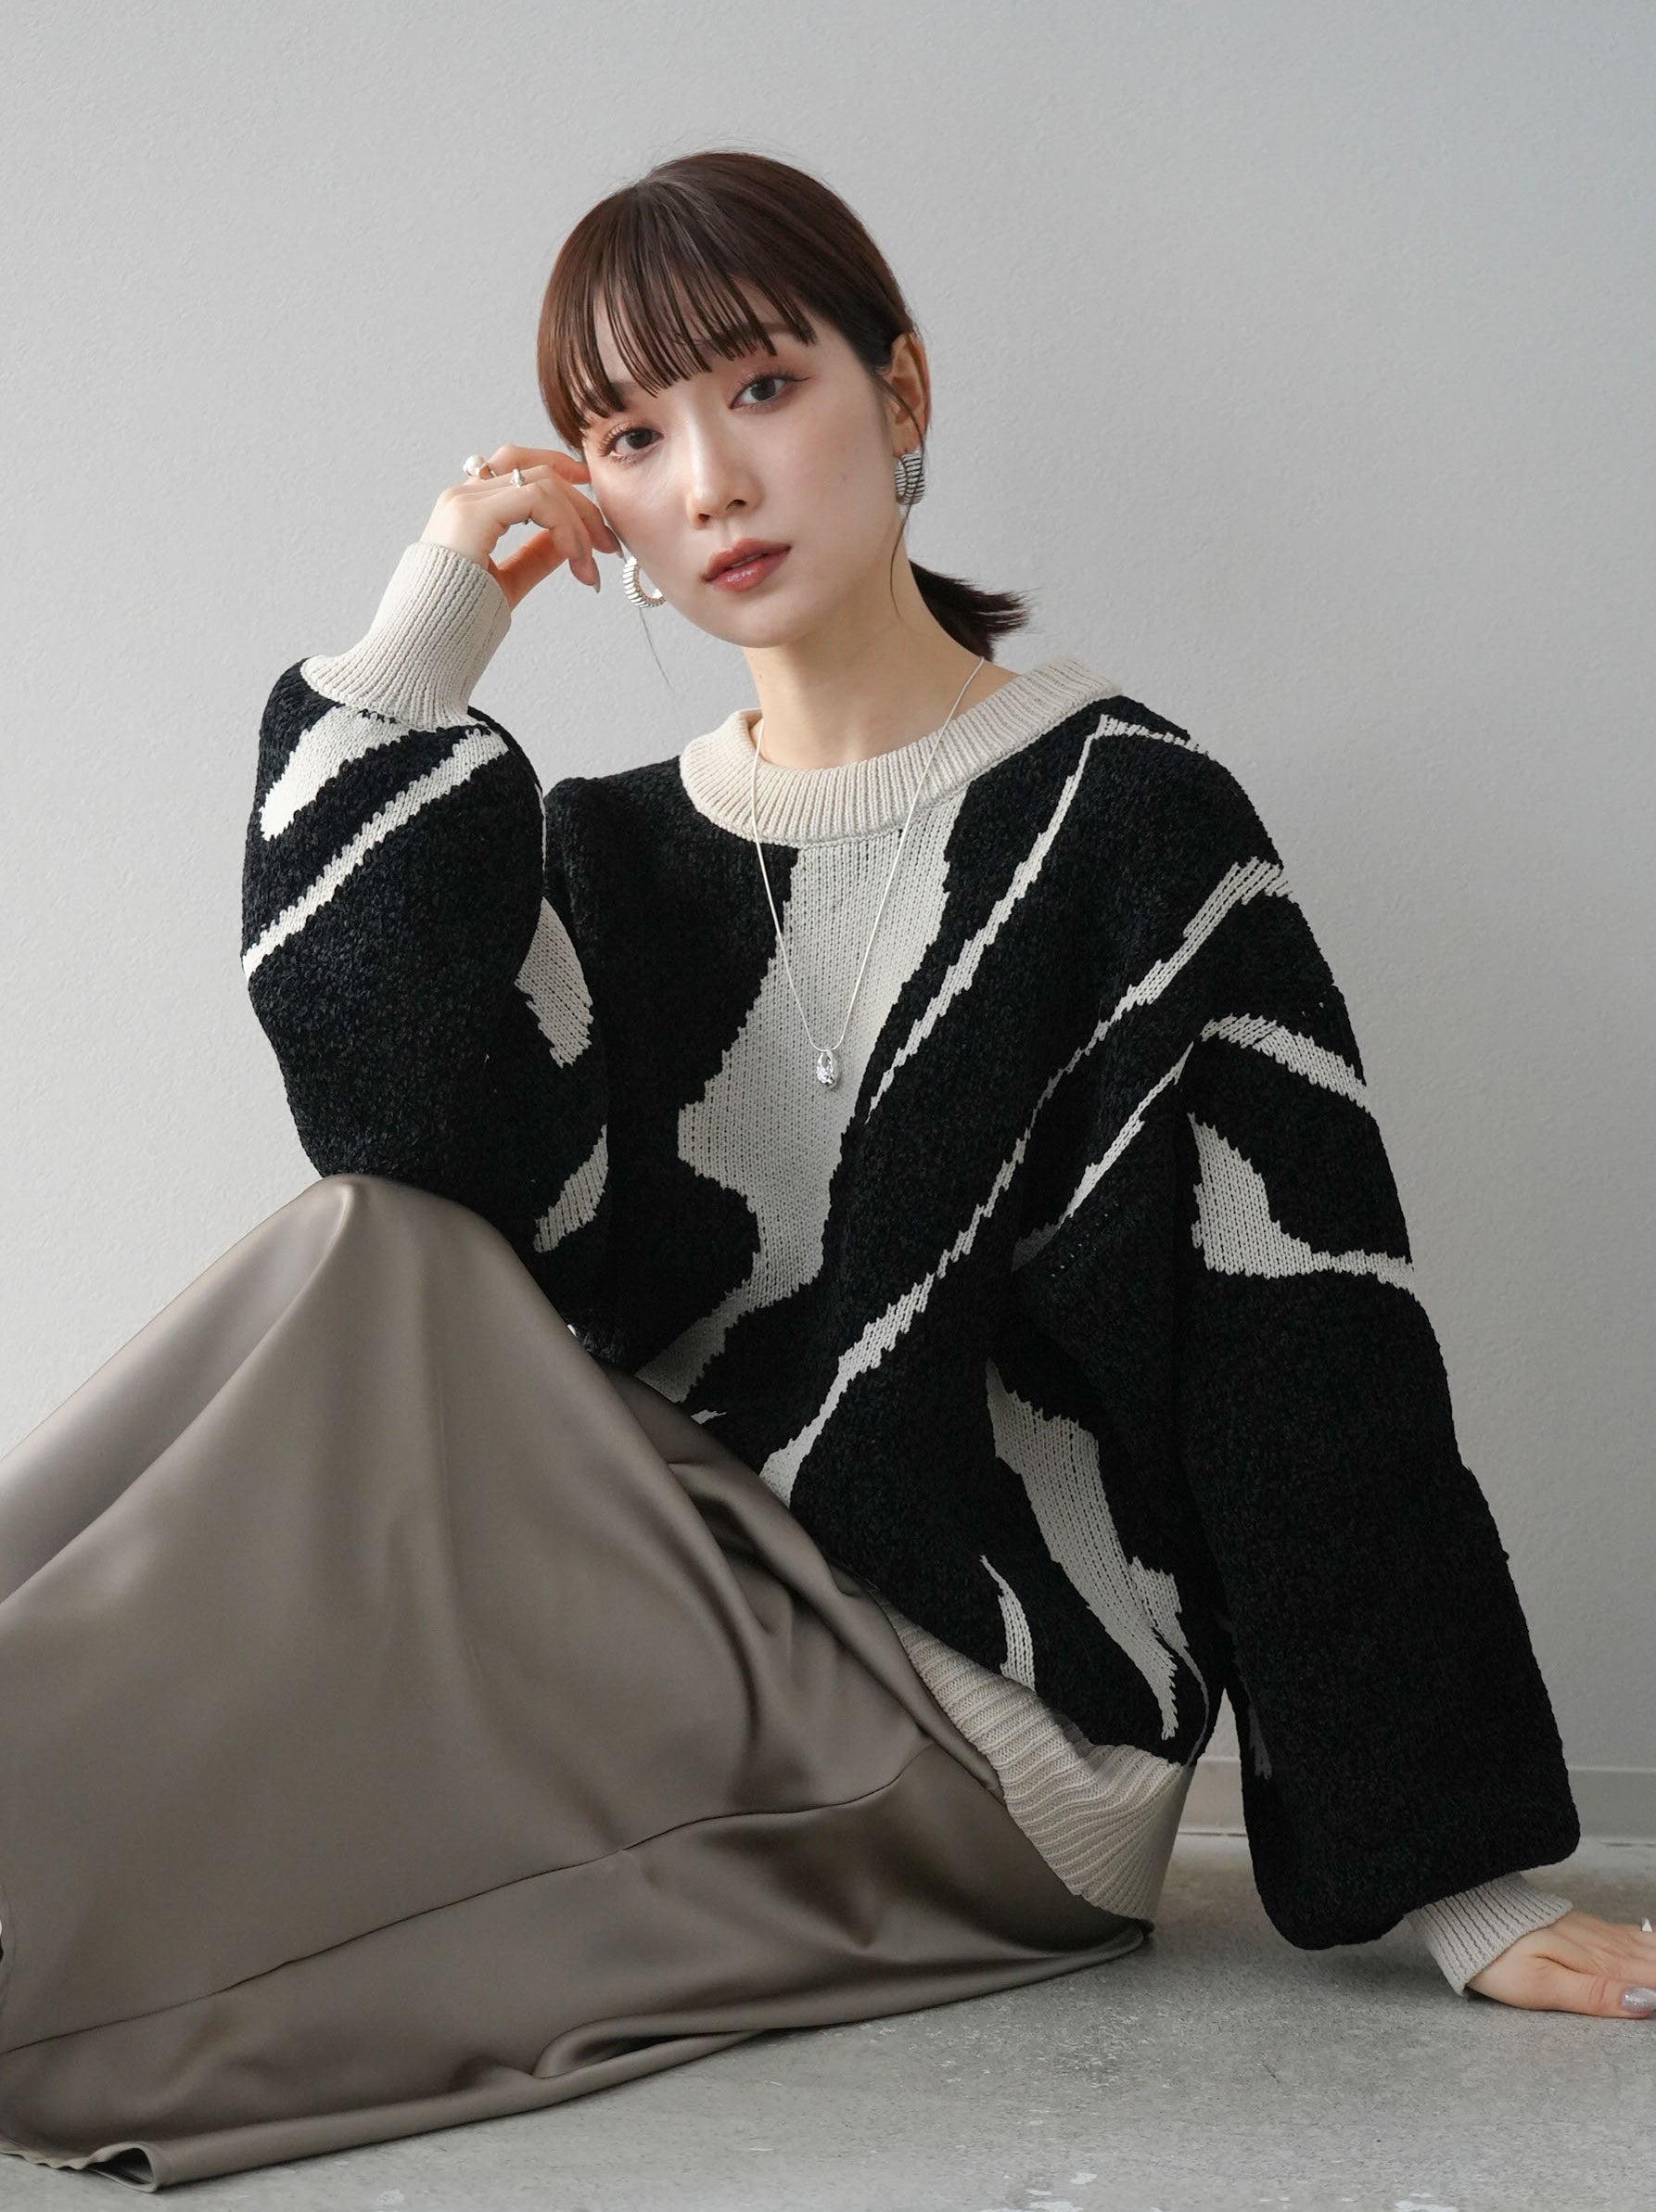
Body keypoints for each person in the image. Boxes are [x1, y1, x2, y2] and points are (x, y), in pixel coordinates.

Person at [2, 146, 1650, 2193]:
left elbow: (1296, 1343)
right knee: (357, 1274)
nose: (710, 479)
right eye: (632, 436)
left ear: (901, 389)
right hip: (657, 1628)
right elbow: (407, 1159)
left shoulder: (1128, 830)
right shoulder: (609, 856)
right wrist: (416, 657)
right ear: (591, 499)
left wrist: (1456, 1876)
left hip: (974, 1723)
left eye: (763, 387)